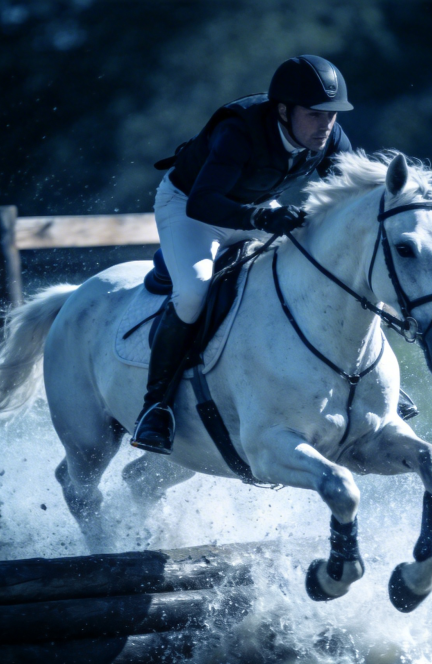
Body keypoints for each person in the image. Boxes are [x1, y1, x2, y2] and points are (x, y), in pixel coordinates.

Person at [131, 55, 354, 454]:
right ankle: (155, 408)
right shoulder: (240, 131)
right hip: (190, 208)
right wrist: (261, 218)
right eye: (314, 114)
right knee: (195, 291)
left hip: (254, 206)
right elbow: (202, 202)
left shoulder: (329, 138)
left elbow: (351, 199)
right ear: (283, 110)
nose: (325, 125)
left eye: (332, 116)